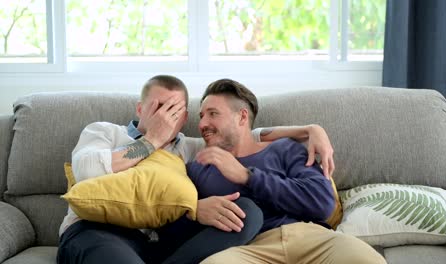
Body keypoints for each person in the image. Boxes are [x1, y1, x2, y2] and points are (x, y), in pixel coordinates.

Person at [57, 75, 336, 264]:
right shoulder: (105, 132)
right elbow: (88, 172)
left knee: (246, 211)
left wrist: (311, 129)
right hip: (100, 232)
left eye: (175, 111)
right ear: (140, 109)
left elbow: (246, 135)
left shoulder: (190, 148)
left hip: (161, 243)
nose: (167, 118)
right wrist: (153, 140)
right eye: (160, 108)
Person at [187, 78, 387, 264]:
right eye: (201, 116)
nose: (202, 124)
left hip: (311, 240)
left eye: (213, 114)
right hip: (249, 249)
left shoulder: (284, 148)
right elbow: (169, 212)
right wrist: (195, 209)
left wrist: (248, 177)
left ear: (242, 117)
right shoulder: (199, 167)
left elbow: (322, 202)